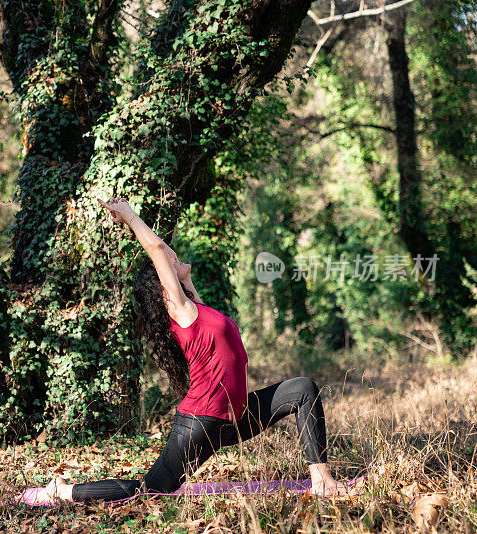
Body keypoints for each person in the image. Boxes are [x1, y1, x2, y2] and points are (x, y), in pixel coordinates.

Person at [27, 197, 353, 504]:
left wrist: (154, 244)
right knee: (149, 489)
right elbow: (155, 248)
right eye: (168, 263)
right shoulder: (180, 310)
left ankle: (321, 479)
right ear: (163, 286)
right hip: (201, 422)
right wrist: (128, 214)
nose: (173, 256)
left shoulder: (194, 304)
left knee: (302, 388)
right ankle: (62, 491)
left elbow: (163, 249)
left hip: (235, 416)